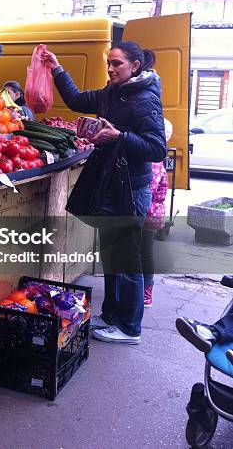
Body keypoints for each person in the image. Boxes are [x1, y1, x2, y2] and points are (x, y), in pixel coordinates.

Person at [41, 41, 166, 345]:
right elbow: (75, 99)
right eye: (109, 63)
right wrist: (56, 67)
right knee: (113, 256)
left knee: (125, 259)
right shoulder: (113, 93)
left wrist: (119, 136)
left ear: (135, 66)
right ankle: (112, 317)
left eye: (117, 64)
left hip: (130, 190)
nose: (110, 69)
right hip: (114, 186)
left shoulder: (145, 99)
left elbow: (156, 147)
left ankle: (130, 327)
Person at [142, 118, 172, 308]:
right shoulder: (157, 157)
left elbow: (148, 188)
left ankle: (146, 292)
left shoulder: (152, 160)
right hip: (151, 214)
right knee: (144, 252)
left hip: (147, 214)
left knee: (144, 253)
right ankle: (145, 290)